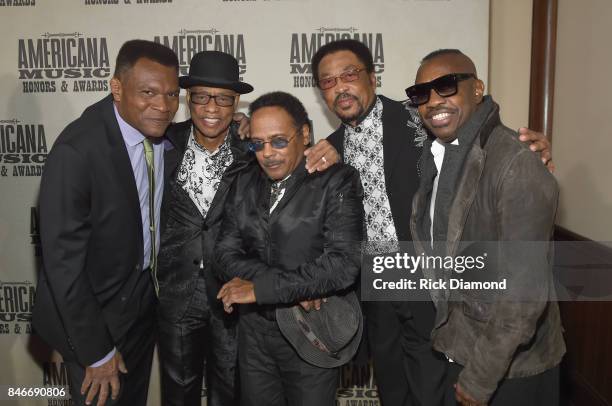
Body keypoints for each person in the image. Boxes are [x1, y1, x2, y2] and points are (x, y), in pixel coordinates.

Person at [306, 39, 556, 406]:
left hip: (431, 282)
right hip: (376, 288)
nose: (340, 86)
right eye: (327, 81)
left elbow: (481, 143)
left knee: (433, 386)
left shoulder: (419, 117)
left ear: (373, 78)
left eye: (349, 74)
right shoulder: (328, 151)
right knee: (392, 385)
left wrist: (533, 149)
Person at [407, 49, 565, 406]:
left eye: (445, 86)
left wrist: (480, 377)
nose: (432, 101)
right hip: (459, 351)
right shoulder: (437, 158)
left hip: (510, 369)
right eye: (421, 94)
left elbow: (523, 295)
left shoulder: (515, 163)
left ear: (477, 88)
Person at [33, 40, 180, 406]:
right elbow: (62, 265)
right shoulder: (77, 152)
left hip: (142, 310)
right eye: (148, 92)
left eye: (172, 94)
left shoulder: (162, 135)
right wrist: (96, 353)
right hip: (93, 320)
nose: (163, 107)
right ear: (117, 88)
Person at [215, 91, 364, 406]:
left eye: (279, 141)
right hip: (254, 334)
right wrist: (274, 287)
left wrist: (261, 287)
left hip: (309, 327)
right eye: (258, 143)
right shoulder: (243, 180)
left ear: (305, 134)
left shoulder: (336, 180)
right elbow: (226, 252)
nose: (267, 153)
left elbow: (342, 265)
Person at [156, 50, 253, 406]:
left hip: (233, 293)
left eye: (223, 99)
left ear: (235, 102)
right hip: (176, 293)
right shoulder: (163, 142)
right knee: (177, 391)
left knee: (230, 391)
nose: (212, 107)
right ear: (188, 99)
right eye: (201, 96)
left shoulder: (254, 150)